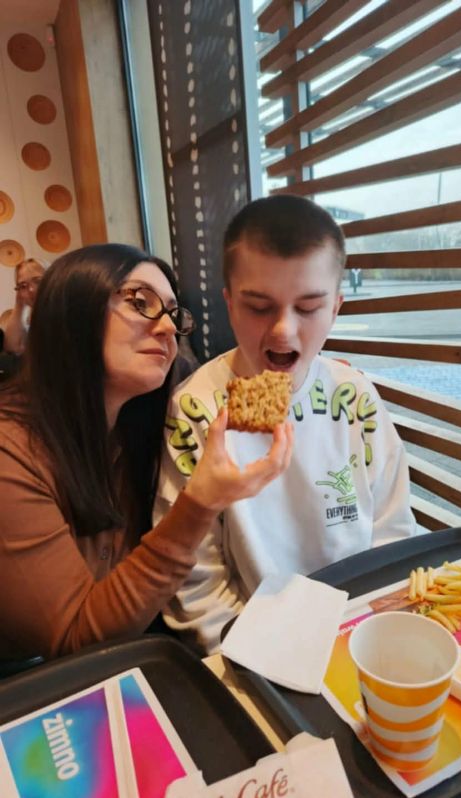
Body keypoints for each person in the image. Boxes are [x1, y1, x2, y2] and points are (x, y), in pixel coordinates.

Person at [0, 243, 293, 661]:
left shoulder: (143, 423)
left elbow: (216, 381)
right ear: (73, 310)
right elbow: (74, 638)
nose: (168, 328)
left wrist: (315, 377)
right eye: (141, 302)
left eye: (173, 313)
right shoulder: (11, 450)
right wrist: (199, 503)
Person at [155, 195, 418, 652]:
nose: (283, 330)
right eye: (259, 307)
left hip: (363, 630)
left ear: (335, 308)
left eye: (309, 308)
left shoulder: (356, 397)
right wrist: (257, 655)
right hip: (255, 644)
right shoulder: (196, 409)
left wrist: (377, 634)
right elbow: (196, 583)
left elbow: (392, 532)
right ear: (229, 304)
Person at [0, 257, 46, 355]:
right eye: (23, 286)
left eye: (38, 281)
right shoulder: (27, 318)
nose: (31, 289)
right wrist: (19, 304)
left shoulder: (67, 310)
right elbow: (13, 348)